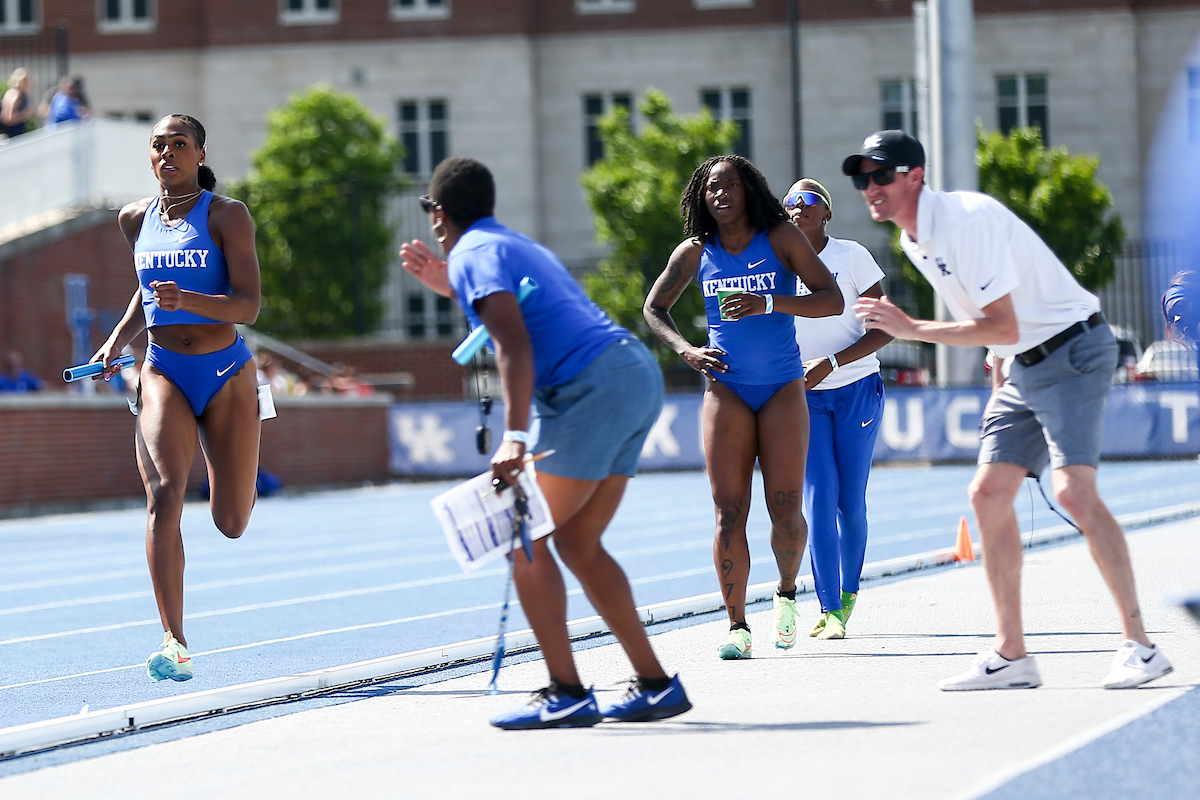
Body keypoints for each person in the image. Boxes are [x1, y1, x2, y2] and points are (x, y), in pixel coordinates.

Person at [842, 130, 1173, 690]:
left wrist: (912, 328)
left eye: (881, 175)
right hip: (1023, 362)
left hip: (1074, 349)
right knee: (987, 492)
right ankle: (1012, 655)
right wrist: (999, 372)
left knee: (1072, 491)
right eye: (861, 179)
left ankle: (1141, 646)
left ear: (914, 176)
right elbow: (994, 324)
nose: (869, 187)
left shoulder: (964, 223)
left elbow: (1004, 323)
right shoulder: (914, 241)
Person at [401, 156, 691, 729]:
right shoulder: (501, 244)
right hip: (630, 375)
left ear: (438, 214)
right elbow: (522, 316)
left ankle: (566, 691)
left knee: (524, 537)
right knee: (578, 543)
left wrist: (513, 436)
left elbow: (511, 341)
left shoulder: (472, 254)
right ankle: (656, 684)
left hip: (593, 389)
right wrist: (447, 282)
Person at [643, 155, 843, 660]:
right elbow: (653, 308)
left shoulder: (780, 238)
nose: (722, 194)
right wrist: (686, 350)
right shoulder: (694, 251)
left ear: (749, 191)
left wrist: (770, 303)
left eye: (731, 185)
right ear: (702, 198)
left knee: (784, 506)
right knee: (729, 513)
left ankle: (786, 593)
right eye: (712, 188)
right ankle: (736, 627)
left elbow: (832, 299)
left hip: (781, 388)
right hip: (726, 390)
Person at [91, 114, 262, 683]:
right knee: (164, 491)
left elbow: (247, 306)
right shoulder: (134, 218)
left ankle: (233, 462)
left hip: (226, 372)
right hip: (162, 368)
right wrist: (117, 341)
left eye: (179, 144)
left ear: (200, 152)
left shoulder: (227, 215)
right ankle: (174, 641)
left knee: (231, 520)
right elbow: (145, 296)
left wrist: (187, 296)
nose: (167, 153)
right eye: (158, 145)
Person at [784, 178, 892, 640]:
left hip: (856, 388)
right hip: (804, 396)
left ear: (826, 213)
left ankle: (849, 596)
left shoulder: (851, 256)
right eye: (788, 202)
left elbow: (887, 326)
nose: (796, 208)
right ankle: (828, 609)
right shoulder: (776, 262)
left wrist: (832, 362)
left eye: (808, 201)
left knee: (851, 501)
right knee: (818, 498)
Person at [1, 68, 35, 138]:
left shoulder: (21, 95)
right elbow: (8, 118)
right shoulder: (14, 95)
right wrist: (25, 114)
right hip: (12, 135)